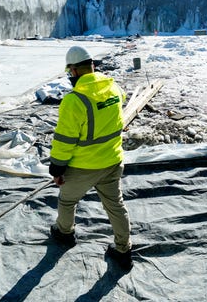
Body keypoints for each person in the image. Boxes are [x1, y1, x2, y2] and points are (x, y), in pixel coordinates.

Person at [49, 46, 133, 271]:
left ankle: (65, 234)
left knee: (67, 201)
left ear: (74, 71)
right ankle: (123, 249)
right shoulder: (113, 87)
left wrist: (57, 168)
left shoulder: (74, 100)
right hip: (113, 161)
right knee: (115, 205)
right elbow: (117, 102)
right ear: (92, 65)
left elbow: (65, 140)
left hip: (83, 166)